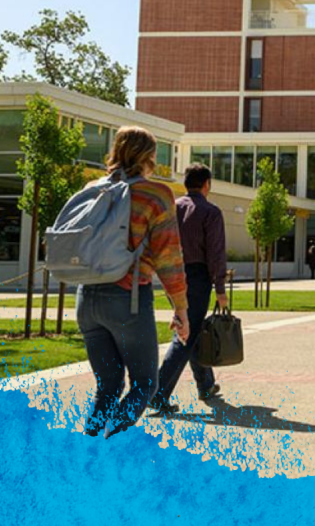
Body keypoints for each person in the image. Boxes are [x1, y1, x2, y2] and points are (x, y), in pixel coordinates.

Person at [76, 126, 190, 438]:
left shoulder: (94, 188)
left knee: (108, 386)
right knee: (144, 384)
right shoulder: (155, 194)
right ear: (150, 157)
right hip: (127, 299)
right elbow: (169, 259)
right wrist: (181, 309)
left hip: (86, 299)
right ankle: (114, 448)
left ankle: (89, 453)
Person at [149, 162, 227, 415]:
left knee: (189, 330)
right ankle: (157, 395)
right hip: (197, 276)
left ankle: (206, 384)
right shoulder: (210, 212)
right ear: (207, 184)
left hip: (172, 274)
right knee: (185, 334)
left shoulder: (172, 208)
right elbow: (215, 254)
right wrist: (221, 289)